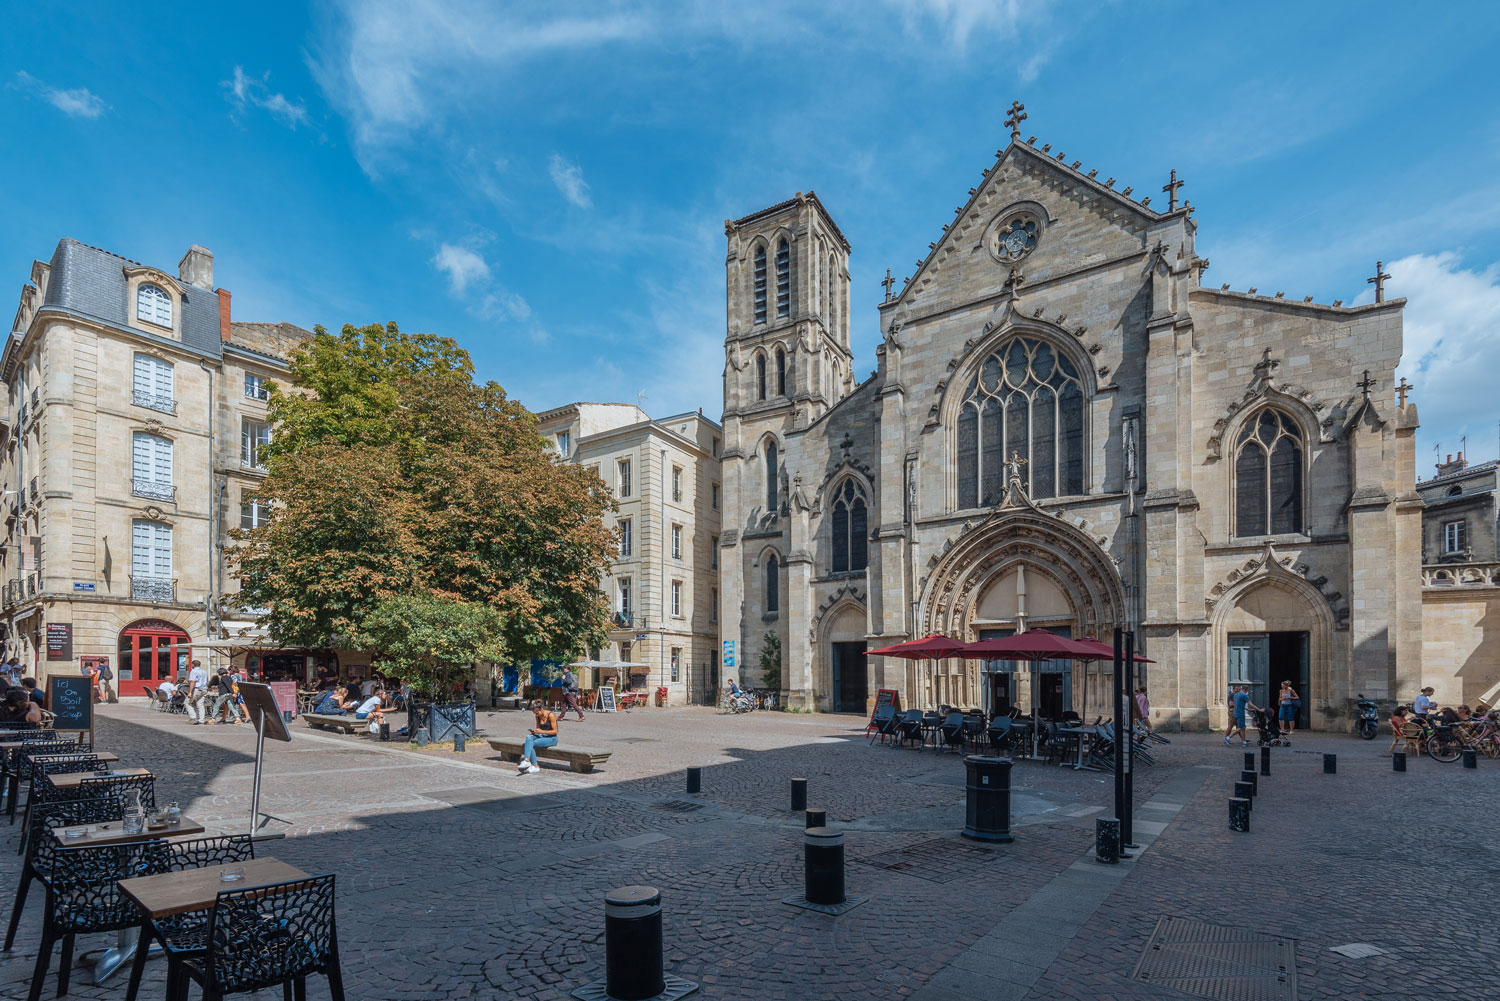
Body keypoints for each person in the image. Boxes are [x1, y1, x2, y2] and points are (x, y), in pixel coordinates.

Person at [518, 699, 558, 774]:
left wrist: (541, 731)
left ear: (541, 709)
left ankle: (535, 766)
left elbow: (555, 731)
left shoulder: (551, 715)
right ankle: (527, 760)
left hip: (551, 738)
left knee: (530, 743)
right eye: (535, 713)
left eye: (537, 712)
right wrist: (535, 731)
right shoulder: (537, 716)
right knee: (529, 737)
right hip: (542, 736)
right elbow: (538, 729)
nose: (536, 715)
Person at [185, 659, 211, 724]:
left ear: (193, 665)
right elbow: (207, 682)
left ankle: (193, 718)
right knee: (200, 704)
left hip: (197, 689)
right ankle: (202, 719)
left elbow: (193, 682)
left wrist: (190, 692)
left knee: (187, 702)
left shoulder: (193, 671)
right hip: (204, 689)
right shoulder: (205, 671)